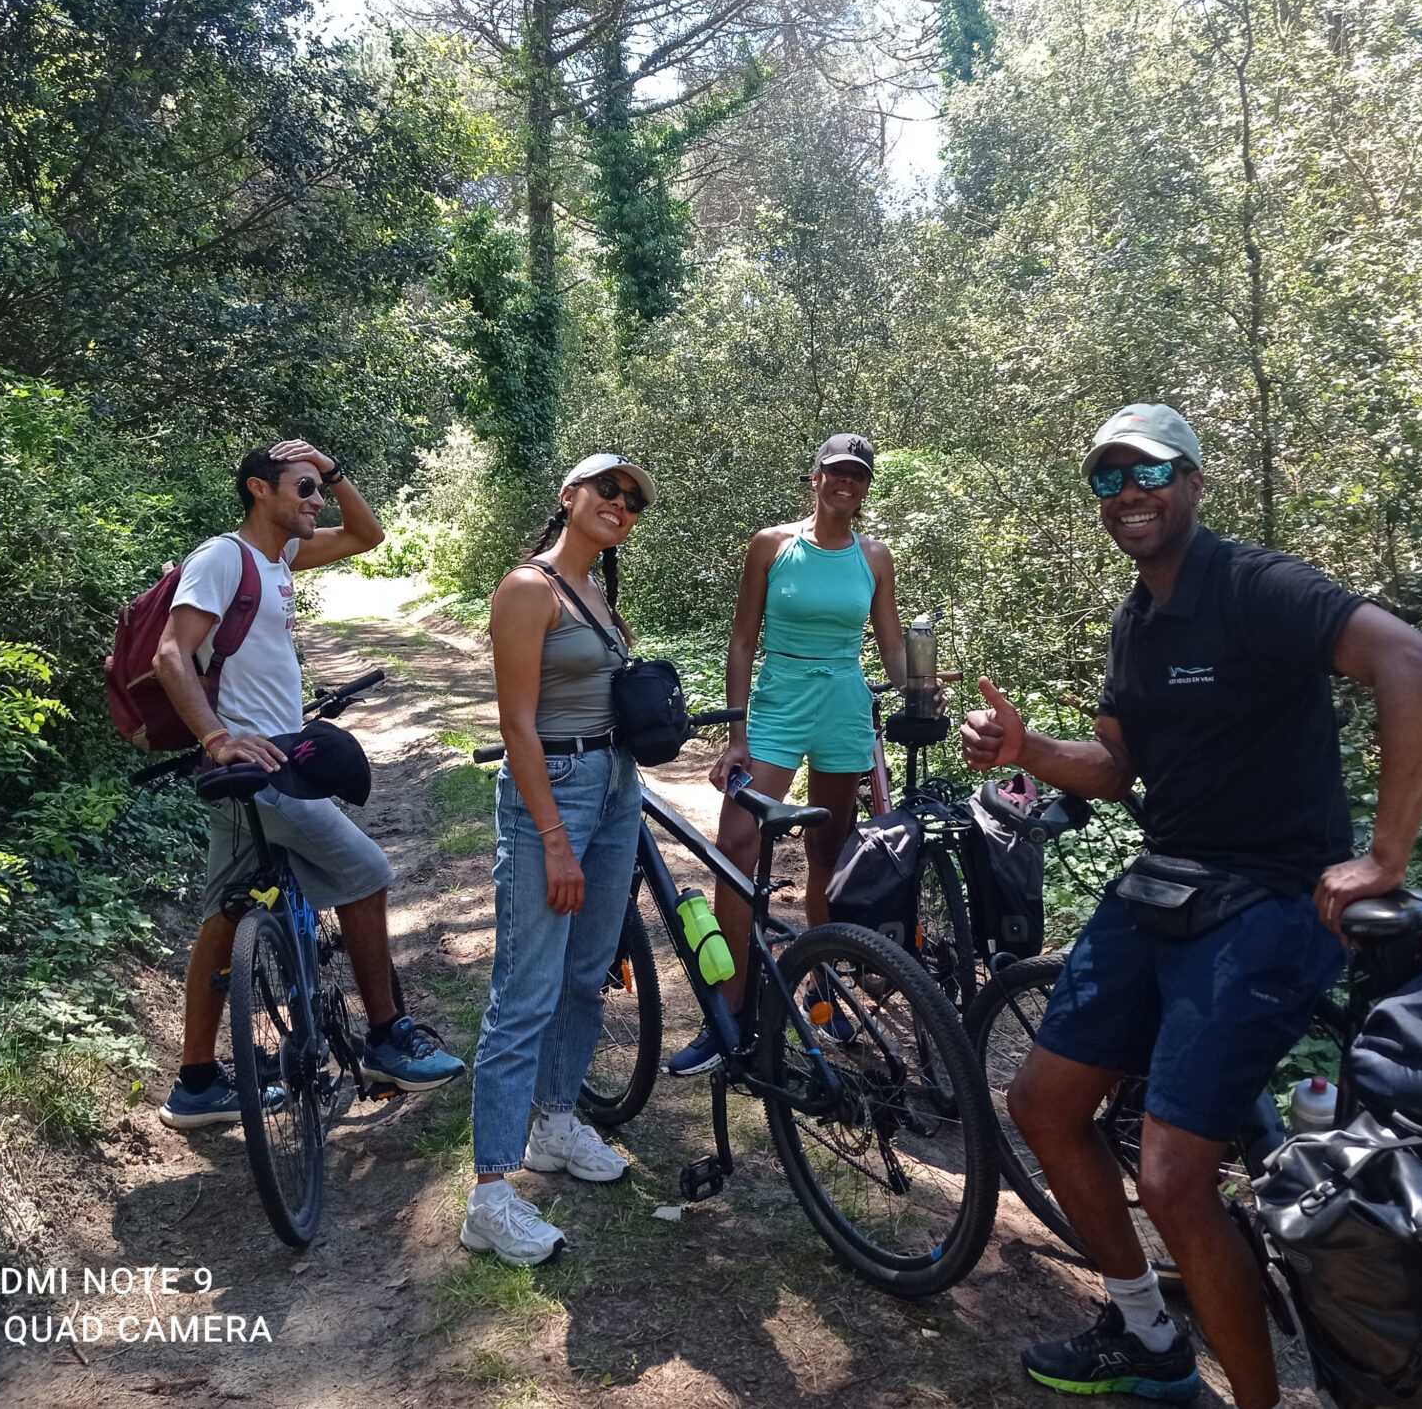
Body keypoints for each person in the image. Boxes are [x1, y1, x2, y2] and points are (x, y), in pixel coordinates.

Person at [962, 405, 1422, 1405]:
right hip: (1167, 882)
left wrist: (1382, 856)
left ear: (1190, 480)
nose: (1126, 494)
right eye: (1106, 479)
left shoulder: (1258, 587)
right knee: (1043, 1104)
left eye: (1144, 471)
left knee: (1176, 1176)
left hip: (1270, 901)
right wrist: (1027, 750)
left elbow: (1416, 664)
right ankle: (1145, 1331)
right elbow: (1114, 765)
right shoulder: (1135, 622)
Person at [155, 440, 464, 1132]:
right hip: (257, 769)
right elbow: (171, 653)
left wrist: (336, 469)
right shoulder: (221, 558)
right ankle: (387, 1037)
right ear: (259, 490)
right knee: (367, 870)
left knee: (224, 912)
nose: (316, 500)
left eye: (320, 488)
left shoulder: (279, 558)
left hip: (262, 766)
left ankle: (196, 1083)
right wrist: (216, 736)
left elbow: (367, 536)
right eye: (303, 488)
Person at [668, 433, 914, 1077]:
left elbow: (888, 645)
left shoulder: (875, 556)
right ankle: (731, 1009)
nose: (848, 485)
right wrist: (738, 733)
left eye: (859, 476)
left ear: (866, 486)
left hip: (843, 704)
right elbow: (743, 639)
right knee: (738, 843)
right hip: (777, 702)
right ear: (816, 477)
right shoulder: (773, 545)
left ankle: (824, 979)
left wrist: (918, 680)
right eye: (837, 472)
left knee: (829, 852)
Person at [464, 453, 657, 1266]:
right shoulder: (527, 589)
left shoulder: (600, 597)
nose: (620, 502)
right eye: (607, 489)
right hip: (556, 786)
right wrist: (551, 838)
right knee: (526, 992)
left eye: (633, 499)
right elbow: (516, 724)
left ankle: (554, 1123)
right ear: (569, 497)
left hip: (615, 784)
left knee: (586, 973)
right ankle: (490, 1195)